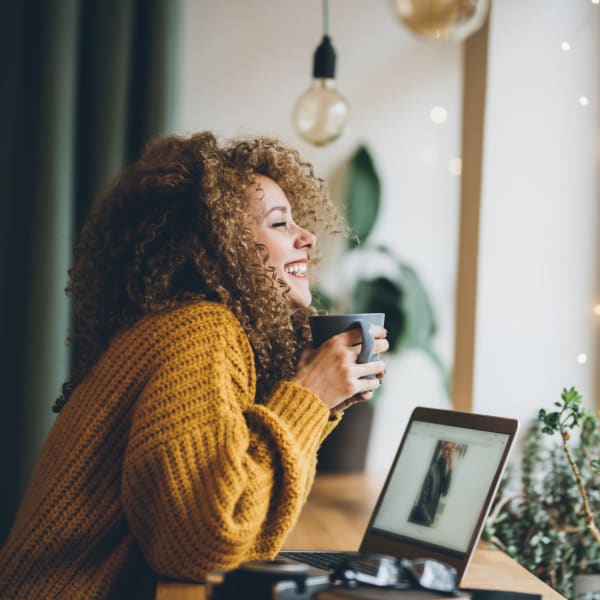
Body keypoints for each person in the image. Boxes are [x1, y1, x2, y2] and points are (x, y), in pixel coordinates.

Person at [0, 132, 388, 598]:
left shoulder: (190, 326)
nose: (306, 237)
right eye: (280, 223)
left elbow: (231, 495)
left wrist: (320, 404)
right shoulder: (198, 330)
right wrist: (307, 397)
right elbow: (207, 544)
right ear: (220, 241)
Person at [409, 440, 454, 527]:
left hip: (429, 519)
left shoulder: (443, 469)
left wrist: (451, 468)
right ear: (442, 447)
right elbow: (421, 501)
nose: (448, 452)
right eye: (447, 448)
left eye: (451, 450)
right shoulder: (432, 469)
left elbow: (445, 492)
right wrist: (429, 522)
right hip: (420, 519)